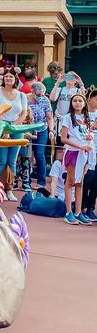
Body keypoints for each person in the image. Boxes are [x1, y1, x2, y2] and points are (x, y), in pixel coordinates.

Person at [0, 66, 28, 201]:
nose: (8, 78)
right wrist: (6, 130)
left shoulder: (21, 95)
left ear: (15, 79)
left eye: (11, 76)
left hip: (17, 128)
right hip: (2, 126)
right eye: (6, 76)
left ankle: (9, 188)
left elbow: (23, 113)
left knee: (12, 161)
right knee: (2, 160)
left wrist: (13, 128)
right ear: (3, 78)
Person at [60, 93, 94, 225]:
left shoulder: (86, 118)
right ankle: (69, 212)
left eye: (80, 101)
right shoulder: (67, 117)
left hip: (84, 154)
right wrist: (80, 145)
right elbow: (63, 138)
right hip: (73, 153)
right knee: (71, 181)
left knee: (80, 182)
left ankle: (78, 212)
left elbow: (87, 132)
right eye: (75, 101)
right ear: (71, 103)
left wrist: (90, 136)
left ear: (85, 103)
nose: (78, 103)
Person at [27, 82, 54, 188]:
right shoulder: (25, 98)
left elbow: (49, 117)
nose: (41, 96)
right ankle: (26, 180)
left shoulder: (45, 100)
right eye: (39, 94)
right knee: (26, 155)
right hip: (28, 129)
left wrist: (51, 130)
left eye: (42, 94)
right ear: (32, 91)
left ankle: (41, 182)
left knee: (39, 155)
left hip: (42, 129)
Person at [50, 71, 86, 145]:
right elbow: (52, 98)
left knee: (70, 141)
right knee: (59, 144)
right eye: (68, 76)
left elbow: (84, 100)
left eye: (72, 77)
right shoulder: (60, 89)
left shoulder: (77, 90)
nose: (70, 79)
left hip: (72, 120)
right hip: (59, 119)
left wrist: (80, 82)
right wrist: (57, 83)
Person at [82, 88, 97, 221]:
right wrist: (92, 126)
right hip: (85, 152)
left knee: (95, 183)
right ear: (90, 100)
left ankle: (91, 208)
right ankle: (81, 206)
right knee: (86, 180)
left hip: (96, 153)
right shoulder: (83, 114)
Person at [14, 107, 33, 192]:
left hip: (27, 150)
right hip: (18, 148)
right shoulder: (17, 123)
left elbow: (35, 136)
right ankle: (15, 182)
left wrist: (29, 135)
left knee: (26, 166)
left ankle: (26, 183)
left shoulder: (31, 124)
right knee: (17, 166)